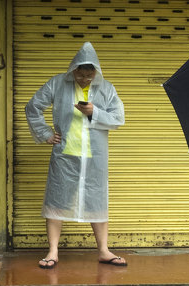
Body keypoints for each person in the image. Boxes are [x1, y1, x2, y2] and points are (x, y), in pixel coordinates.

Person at [25, 41, 126, 268]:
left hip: (94, 157)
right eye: (81, 75)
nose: (84, 80)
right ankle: (52, 252)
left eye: (89, 76)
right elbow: (33, 106)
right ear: (74, 70)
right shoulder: (57, 84)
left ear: (95, 73)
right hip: (65, 155)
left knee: (97, 202)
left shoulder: (106, 88)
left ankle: (103, 250)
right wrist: (45, 133)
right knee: (56, 202)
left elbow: (119, 117)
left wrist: (94, 112)